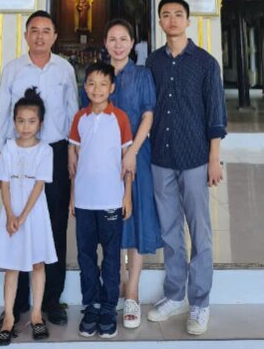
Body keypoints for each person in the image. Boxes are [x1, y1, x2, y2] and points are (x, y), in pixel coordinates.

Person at [146, 0, 227, 336]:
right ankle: (175, 294)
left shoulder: (206, 63)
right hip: (161, 158)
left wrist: (213, 158)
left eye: (178, 14)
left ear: (188, 21)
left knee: (200, 231)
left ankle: (200, 302)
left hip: (195, 157)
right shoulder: (153, 62)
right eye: (166, 15)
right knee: (169, 230)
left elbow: (216, 113)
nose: (172, 20)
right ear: (160, 22)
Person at [0, 11, 78, 327]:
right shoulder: (13, 69)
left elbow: (72, 112)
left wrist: (72, 151)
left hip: (55, 151)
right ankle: (16, 304)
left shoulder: (64, 69)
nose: (40, 36)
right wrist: (0, 154)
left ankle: (52, 300)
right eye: (34, 30)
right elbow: (4, 113)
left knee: (54, 224)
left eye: (46, 30)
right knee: (18, 221)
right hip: (20, 152)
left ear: (55, 36)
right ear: (26, 35)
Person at [103, 19, 162, 328]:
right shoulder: (99, 76)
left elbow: (148, 115)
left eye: (123, 38)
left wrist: (132, 152)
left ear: (132, 43)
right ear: (105, 43)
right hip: (104, 159)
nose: (118, 44)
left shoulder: (142, 75)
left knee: (137, 220)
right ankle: (116, 283)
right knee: (110, 221)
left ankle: (133, 291)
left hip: (137, 155)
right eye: (112, 39)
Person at [69, 61, 133, 339]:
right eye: (92, 83)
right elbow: (74, 163)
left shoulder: (120, 118)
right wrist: (73, 197)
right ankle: (91, 305)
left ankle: (108, 307)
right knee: (85, 256)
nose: (97, 89)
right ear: (85, 87)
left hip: (111, 200)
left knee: (111, 257)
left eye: (103, 84)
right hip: (84, 201)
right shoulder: (79, 118)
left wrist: (127, 196)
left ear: (112, 88)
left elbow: (127, 161)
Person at [0, 89, 57, 346]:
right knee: (12, 265)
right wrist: (10, 214)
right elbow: (4, 183)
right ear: (14, 121)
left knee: (38, 263)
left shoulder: (45, 150)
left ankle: (37, 315)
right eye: (20, 121)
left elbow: (39, 186)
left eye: (31, 121)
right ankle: (8, 317)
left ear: (40, 123)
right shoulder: (8, 148)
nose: (25, 126)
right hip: (11, 214)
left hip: (34, 214)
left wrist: (22, 216)